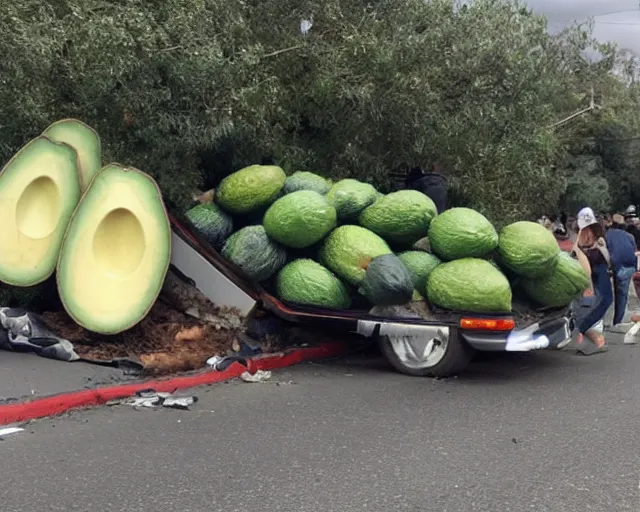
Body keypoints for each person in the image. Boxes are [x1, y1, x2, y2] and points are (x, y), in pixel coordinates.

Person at [573, 207, 612, 355]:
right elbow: (580, 253)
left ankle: (584, 329)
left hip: (598, 269)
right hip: (598, 269)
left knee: (602, 301)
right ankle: (581, 328)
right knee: (605, 300)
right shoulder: (585, 235)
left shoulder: (587, 234)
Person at [605, 214, 638, 330]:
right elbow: (634, 251)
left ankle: (605, 322)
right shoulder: (630, 236)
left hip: (612, 267)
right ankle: (617, 321)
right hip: (628, 268)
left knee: (608, 295)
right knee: (622, 295)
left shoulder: (607, 235)